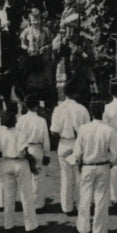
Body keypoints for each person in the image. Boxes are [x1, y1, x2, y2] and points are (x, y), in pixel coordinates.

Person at [75, 100, 117, 233]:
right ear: (102, 113)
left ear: (90, 112)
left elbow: (77, 152)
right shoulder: (109, 130)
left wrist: (78, 162)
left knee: (85, 196)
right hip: (103, 166)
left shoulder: (83, 129)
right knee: (101, 198)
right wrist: (111, 164)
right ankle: (99, 232)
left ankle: (83, 228)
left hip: (87, 166)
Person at [0, 102, 40, 233]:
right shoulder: (20, 133)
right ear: (14, 120)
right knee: (26, 195)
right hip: (20, 163)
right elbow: (24, 152)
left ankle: (8, 225)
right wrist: (33, 164)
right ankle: (31, 226)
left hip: (6, 163)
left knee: (8, 195)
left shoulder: (1, 133)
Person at [50, 82, 90, 215]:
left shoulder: (58, 109)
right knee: (79, 177)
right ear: (76, 93)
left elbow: (54, 131)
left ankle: (67, 207)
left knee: (66, 177)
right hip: (78, 144)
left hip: (64, 143)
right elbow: (87, 129)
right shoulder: (82, 109)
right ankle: (81, 205)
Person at [17, 94, 51, 211]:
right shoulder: (41, 121)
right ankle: (38, 204)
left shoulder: (20, 120)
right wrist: (47, 154)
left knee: (25, 177)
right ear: (37, 106)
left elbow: (17, 136)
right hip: (37, 148)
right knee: (38, 178)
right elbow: (45, 138)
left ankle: (27, 202)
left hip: (24, 148)